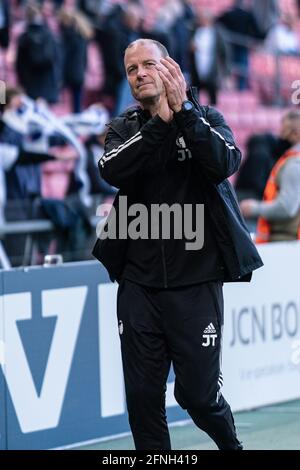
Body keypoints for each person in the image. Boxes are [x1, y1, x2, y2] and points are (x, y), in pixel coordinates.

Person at [93, 38, 263, 450]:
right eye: (131, 70)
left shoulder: (206, 117)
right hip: (139, 285)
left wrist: (182, 113)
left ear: (169, 68)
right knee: (143, 399)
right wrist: (160, 124)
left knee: (198, 398)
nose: (139, 75)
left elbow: (225, 163)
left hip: (197, 283)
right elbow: (112, 170)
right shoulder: (123, 127)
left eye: (147, 65)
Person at [240, 110, 300, 243]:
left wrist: (254, 208)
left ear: (296, 133)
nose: (280, 135)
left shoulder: (294, 163)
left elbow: (287, 208)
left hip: (286, 241)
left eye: (284, 130)